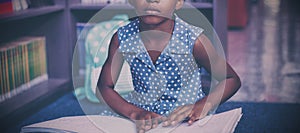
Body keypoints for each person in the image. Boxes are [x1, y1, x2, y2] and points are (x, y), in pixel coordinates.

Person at [96, 0, 241, 132]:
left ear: (178, 2)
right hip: (141, 117)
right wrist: (134, 112)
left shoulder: (194, 40)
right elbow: (104, 87)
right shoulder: (122, 38)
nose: (152, 0)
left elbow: (231, 79)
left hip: (186, 119)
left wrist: (203, 105)